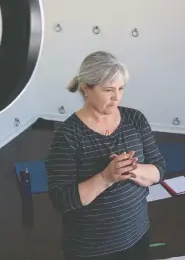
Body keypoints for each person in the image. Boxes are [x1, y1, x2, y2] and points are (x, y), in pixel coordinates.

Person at [45, 51, 166, 260]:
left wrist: (133, 169)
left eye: (120, 89)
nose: (116, 97)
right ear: (86, 88)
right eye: (108, 90)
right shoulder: (68, 135)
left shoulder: (135, 119)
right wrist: (106, 178)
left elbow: (159, 170)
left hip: (138, 235)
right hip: (92, 249)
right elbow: (62, 201)